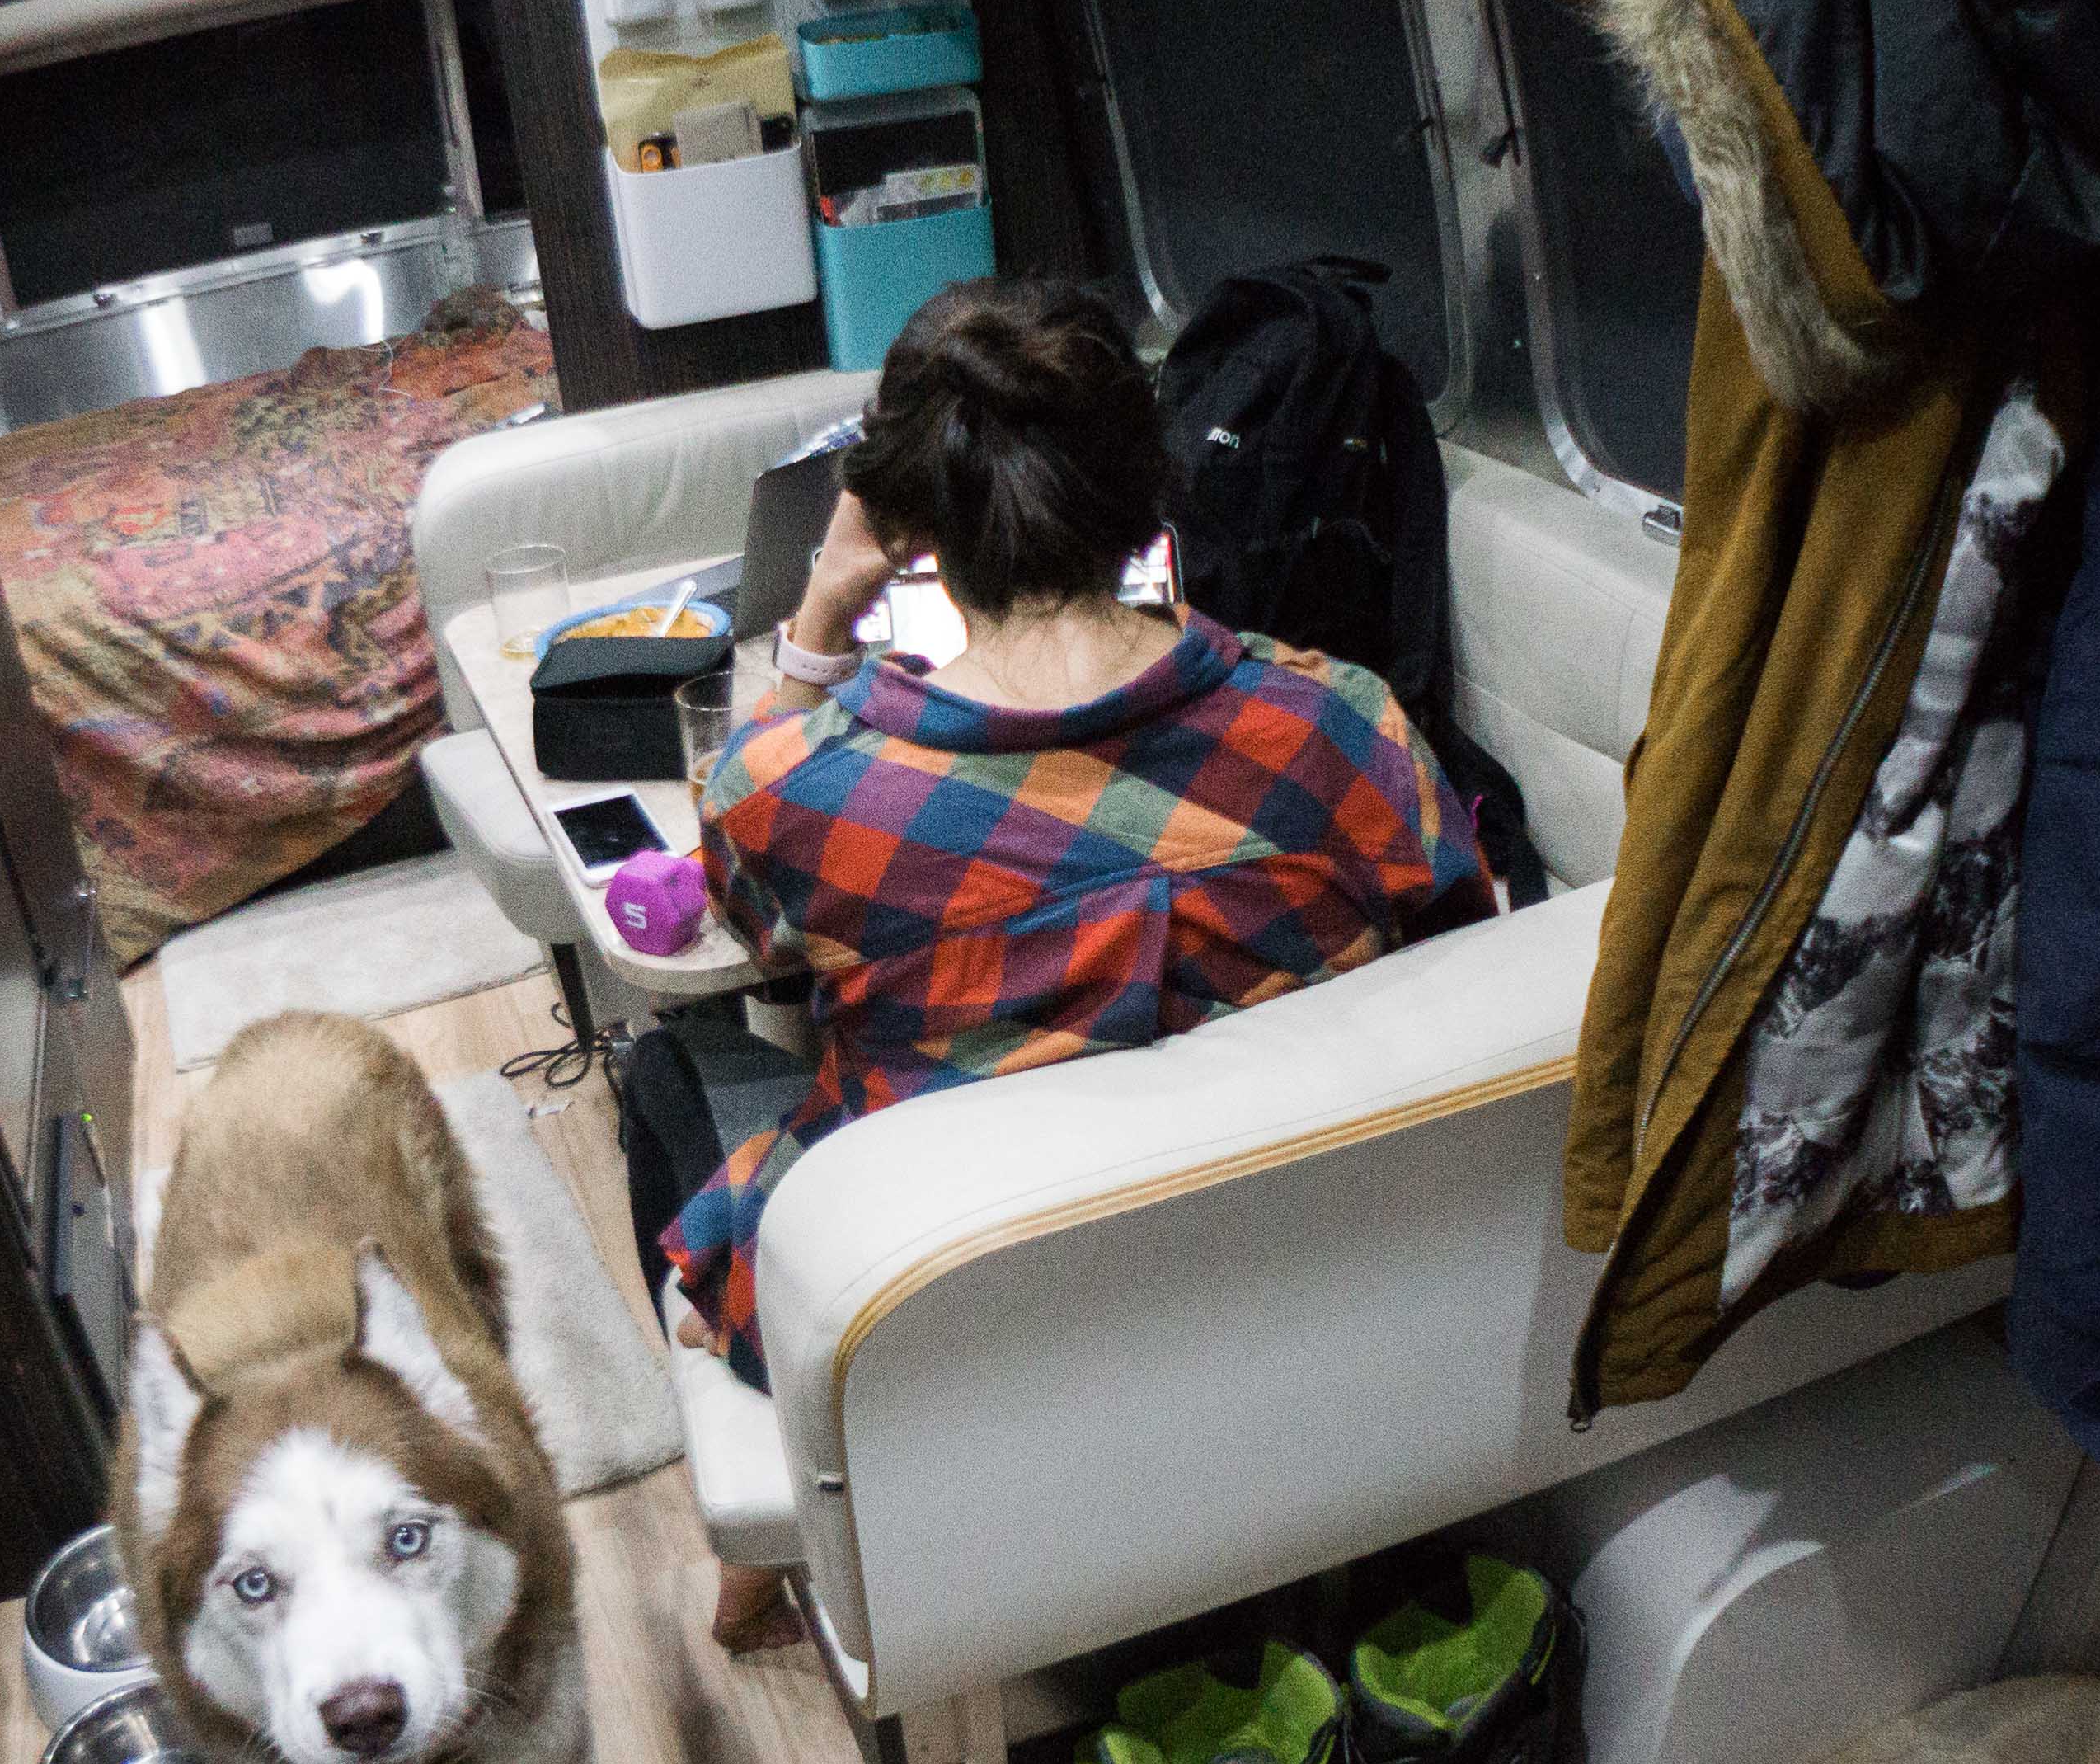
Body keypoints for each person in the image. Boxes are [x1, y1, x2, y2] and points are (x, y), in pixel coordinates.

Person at [618, 277, 1496, 1651]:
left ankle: (771, 1554)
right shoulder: (1344, 729)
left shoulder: (804, 796)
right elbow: (1463, 952)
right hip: (1297, 1296)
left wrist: (822, 616)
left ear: (909, 528)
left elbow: (742, 907)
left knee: (669, 1078)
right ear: (1151, 496)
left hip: (962, 1351)